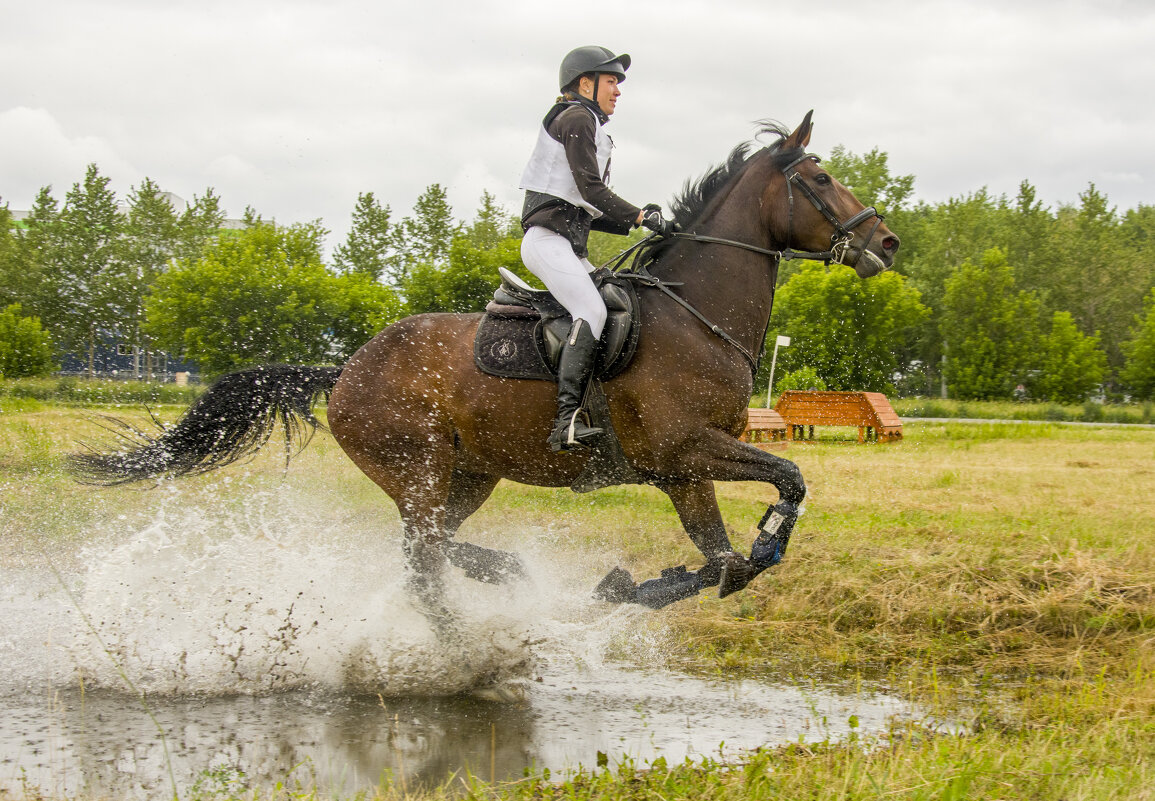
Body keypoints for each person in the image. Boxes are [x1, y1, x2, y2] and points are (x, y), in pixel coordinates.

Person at [519, 45, 675, 453]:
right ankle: (566, 420)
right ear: (585, 83)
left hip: (567, 245)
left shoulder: (587, 122)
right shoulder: (575, 118)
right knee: (593, 310)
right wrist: (639, 216)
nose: (618, 91)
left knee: (617, 300)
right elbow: (592, 191)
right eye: (611, 82)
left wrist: (643, 224)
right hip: (547, 242)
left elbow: (589, 209)